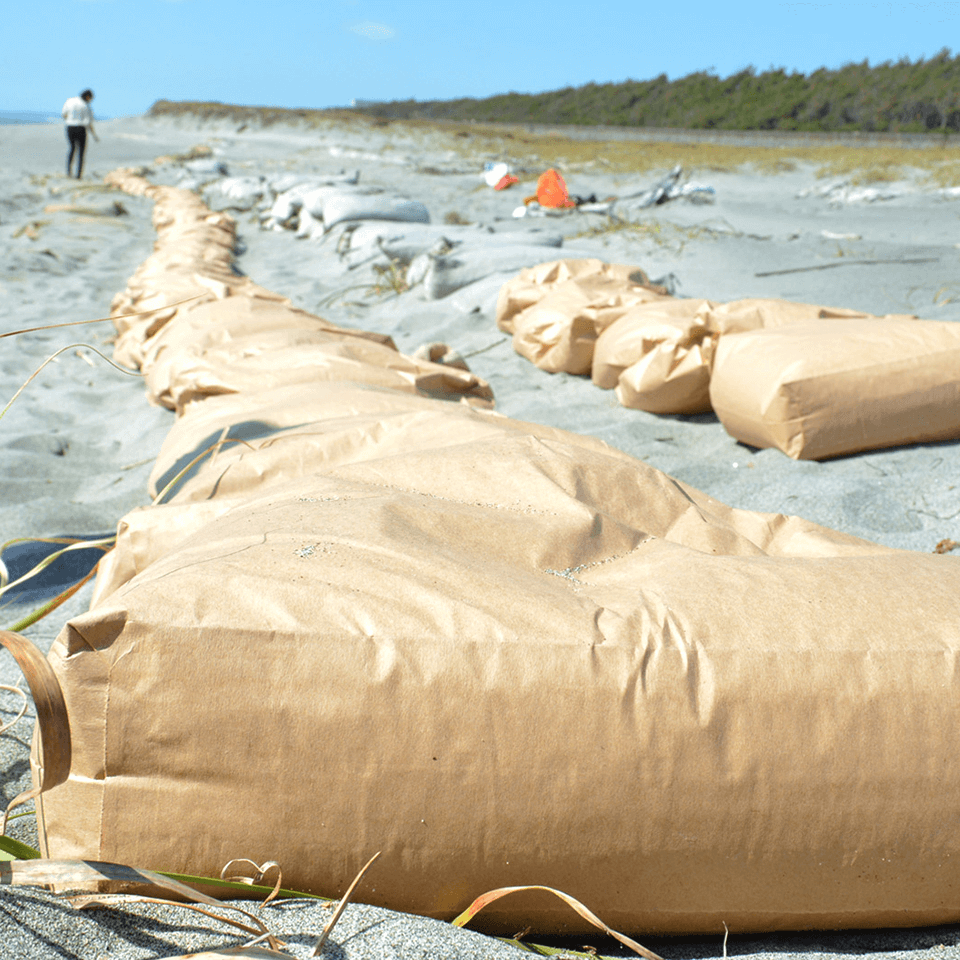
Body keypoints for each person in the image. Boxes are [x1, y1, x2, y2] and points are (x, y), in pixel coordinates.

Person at [61, 89, 99, 179]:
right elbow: (89, 123)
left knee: (72, 148)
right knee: (81, 152)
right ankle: (79, 175)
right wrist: (94, 135)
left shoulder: (70, 101)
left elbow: (64, 114)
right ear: (87, 97)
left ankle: (69, 172)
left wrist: (69, 120)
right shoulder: (86, 106)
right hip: (81, 128)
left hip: (70, 127)